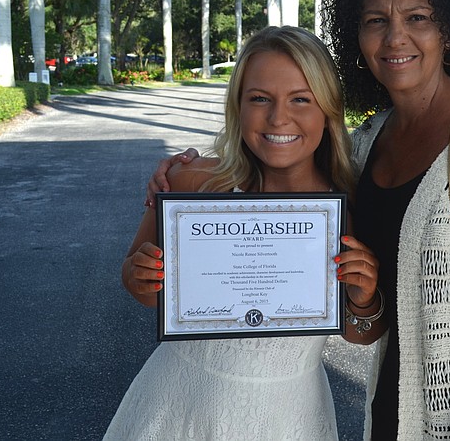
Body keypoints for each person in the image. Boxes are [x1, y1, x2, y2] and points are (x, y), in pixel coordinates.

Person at [148, 0, 450, 441]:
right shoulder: (369, 140)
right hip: (392, 407)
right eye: (375, 21)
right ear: (357, 37)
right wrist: (189, 173)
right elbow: (282, 167)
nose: (395, 38)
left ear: (449, 30)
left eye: (418, 18)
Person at [108, 26, 381, 440]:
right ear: (237, 106)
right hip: (178, 404)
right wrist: (140, 276)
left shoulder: (350, 208)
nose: (278, 118)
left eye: (300, 99)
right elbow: (141, 287)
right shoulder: (192, 184)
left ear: (328, 111)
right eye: (259, 98)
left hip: (290, 415)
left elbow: (362, 335)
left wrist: (364, 298)